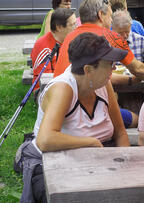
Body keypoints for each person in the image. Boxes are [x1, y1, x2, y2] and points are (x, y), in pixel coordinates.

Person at [20, 32, 131, 203]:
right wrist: (91, 142)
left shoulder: (103, 84)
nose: (114, 68)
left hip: (98, 160)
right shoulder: (63, 89)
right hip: (55, 163)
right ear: (88, 70)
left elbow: (120, 132)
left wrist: (124, 164)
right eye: (109, 64)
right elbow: (45, 139)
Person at [54, 0, 144, 83]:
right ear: (100, 15)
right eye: (110, 16)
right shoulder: (109, 36)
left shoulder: (69, 37)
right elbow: (137, 68)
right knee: (135, 117)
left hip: (59, 95)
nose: (111, 20)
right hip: (80, 102)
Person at [31, 8, 76, 94]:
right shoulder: (43, 46)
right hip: (44, 90)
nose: (76, 28)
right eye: (72, 25)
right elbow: (45, 80)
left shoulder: (69, 40)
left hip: (66, 84)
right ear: (59, 27)